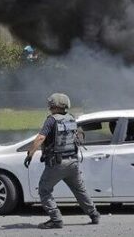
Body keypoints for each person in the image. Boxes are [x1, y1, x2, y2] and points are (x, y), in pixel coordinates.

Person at [25, 93, 100, 229]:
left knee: (44, 190)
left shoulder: (51, 120)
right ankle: (94, 214)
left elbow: (41, 138)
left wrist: (30, 154)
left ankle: (56, 219)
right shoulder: (71, 118)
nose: (49, 106)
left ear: (54, 106)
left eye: (50, 104)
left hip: (57, 164)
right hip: (72, 162)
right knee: (79, 190)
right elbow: (79, 137)